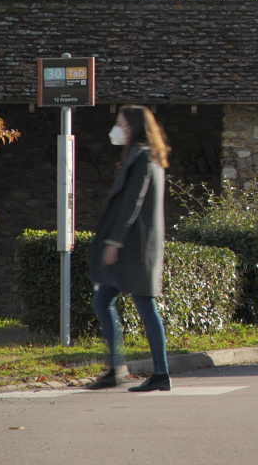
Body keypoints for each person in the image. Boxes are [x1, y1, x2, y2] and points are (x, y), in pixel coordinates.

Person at [87, 105, 171, 391]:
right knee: (104, 302)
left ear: (133, 127)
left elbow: (132, 204)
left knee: (145, 306)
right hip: (132, 248)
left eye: (120, 123)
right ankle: (116, 368)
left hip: (132, 249)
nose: (116, 128)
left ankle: (159, 373)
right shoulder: (148, 157)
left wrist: (114, 242)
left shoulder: (143, 158)